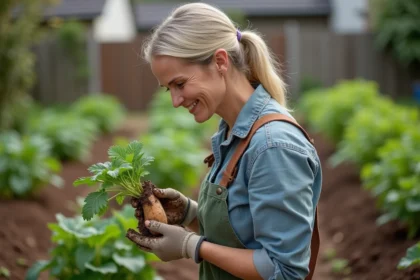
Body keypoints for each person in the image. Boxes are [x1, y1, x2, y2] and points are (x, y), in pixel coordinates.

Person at [126, 2, 322, 280]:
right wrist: (189, 213)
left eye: (180, 84)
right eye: (168, 88)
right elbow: (244, 232)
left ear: (220, 61)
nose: (175, 101)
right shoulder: (232, 133)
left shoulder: (272, 146)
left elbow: (284, 270)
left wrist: (191, 246)